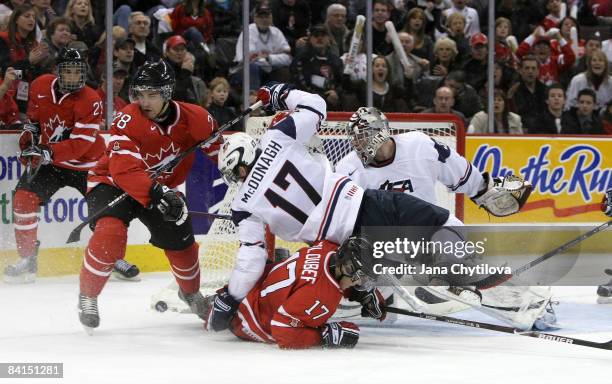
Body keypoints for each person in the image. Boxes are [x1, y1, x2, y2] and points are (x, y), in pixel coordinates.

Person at [208, 84, 531, 331]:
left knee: (365, 270)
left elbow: (250, 260)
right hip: (366, 207)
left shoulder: (242, 205)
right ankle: (463, 272)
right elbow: (316, 105)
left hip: (334, 245)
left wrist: (231, 298)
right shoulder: (275, 138)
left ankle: (368, 291)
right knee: (442, 221)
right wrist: (280, 93)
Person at [77, 60, 220, 332]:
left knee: (182, 241)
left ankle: (189, 292)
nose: (143, 101)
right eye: (139, 94)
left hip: (158, 187)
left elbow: (220, 154)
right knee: (110, 234)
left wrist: (238, 171)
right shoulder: (127, 119)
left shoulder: (197, 118)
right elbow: (123, 170)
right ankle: (88, 296)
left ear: (167, 94)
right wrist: (158, 191)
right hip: (111, 183)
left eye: (151, 94)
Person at [3, 48, 139, 284]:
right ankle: (27, 258)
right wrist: (29, 138)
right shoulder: (40, 85)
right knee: (23, 198)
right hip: (51, 163)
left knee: (106, 212)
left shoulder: (91, 100)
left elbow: (81, 144)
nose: (75, 77)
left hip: (88, 165)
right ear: (58, 71)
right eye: (69, 71)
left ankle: (113, 259)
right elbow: (34, 120)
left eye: (79, 72)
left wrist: (47, 150)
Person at [225, 237, 385, 349]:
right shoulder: (321, 297)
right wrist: (323, 336)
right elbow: (282, 330)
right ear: (346, 268)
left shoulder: (328, 247)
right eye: (359, 278)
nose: (359, 283)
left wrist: (360, 293)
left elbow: (324, 275)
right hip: (248, 321)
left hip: (251, 286)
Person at [232, 3, 292, 91]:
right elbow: (246, 58)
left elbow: (288, 57)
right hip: (244, 70)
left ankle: (277, 100)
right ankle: (253, 98)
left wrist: (269, 57)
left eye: (267, 16)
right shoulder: (248, 31)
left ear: (271, 18)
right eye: (261, 16)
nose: (264, 19)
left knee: (283, 71)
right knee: (252, 67)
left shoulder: (276, 32)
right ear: (255, 18)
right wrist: (273, 57)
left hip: (269, 69)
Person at [508, 55, 547, 133]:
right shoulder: (514, 90)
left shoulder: (545, 90)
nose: (530, 71)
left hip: (543, 131)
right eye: (527, 68)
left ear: (538, 71)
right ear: (520, 70)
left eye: (533, 68)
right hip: (521, 131)